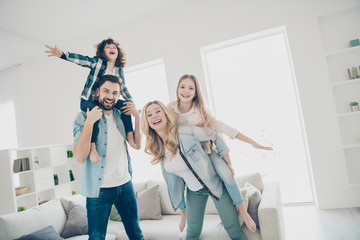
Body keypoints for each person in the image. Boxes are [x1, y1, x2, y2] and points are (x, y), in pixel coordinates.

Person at [168, 74, 273, 232]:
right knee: (177, 181)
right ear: (177, 89)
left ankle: (242, 211)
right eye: (182, 86)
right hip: (188, 158)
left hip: (208, 153)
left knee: (227, 176)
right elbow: (157, 118)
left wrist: (252, 143)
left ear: (196, 92)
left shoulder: (201, 110)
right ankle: (184, 214)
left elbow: (223, 129)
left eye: (191, 88)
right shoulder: (171, 108)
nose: (186, 91)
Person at [141, 100, 247, 240]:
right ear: (147, 121)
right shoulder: (158, 148)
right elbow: (174, 185)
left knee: (233, 230)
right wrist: (183, 213)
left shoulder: (185, 132)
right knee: (191, 235)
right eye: (149, 114)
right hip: (194, 191)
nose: (154, 116)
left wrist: (228, 163)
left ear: (166, 114)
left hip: (215, 185)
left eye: (158, 111)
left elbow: (214, 135)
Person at [73, 75, 143, 240]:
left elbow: (137, 145)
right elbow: (79, 157)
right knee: (97, 237)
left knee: (136, 234)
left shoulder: (121, 114)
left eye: (115, 92)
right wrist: (90, 122)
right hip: (99, 191)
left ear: (119, 95)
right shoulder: (82, 117)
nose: (110, 96)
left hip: (125, 185)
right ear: (97, 92)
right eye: (106, 91)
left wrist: (137, 116)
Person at [45, 38, 136, 164]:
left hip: (106, 101)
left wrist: (131, 102)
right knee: (96, 114)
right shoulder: (97, 62)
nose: (112, 49)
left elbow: (123, 87)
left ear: (118, 52)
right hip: (89, 100)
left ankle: (130, 136)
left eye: (114, 47)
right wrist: (62, 54)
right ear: (103, 52)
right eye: (108, 47)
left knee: (126, 106)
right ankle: (92, 147)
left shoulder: (118, 69)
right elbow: (81, 59)